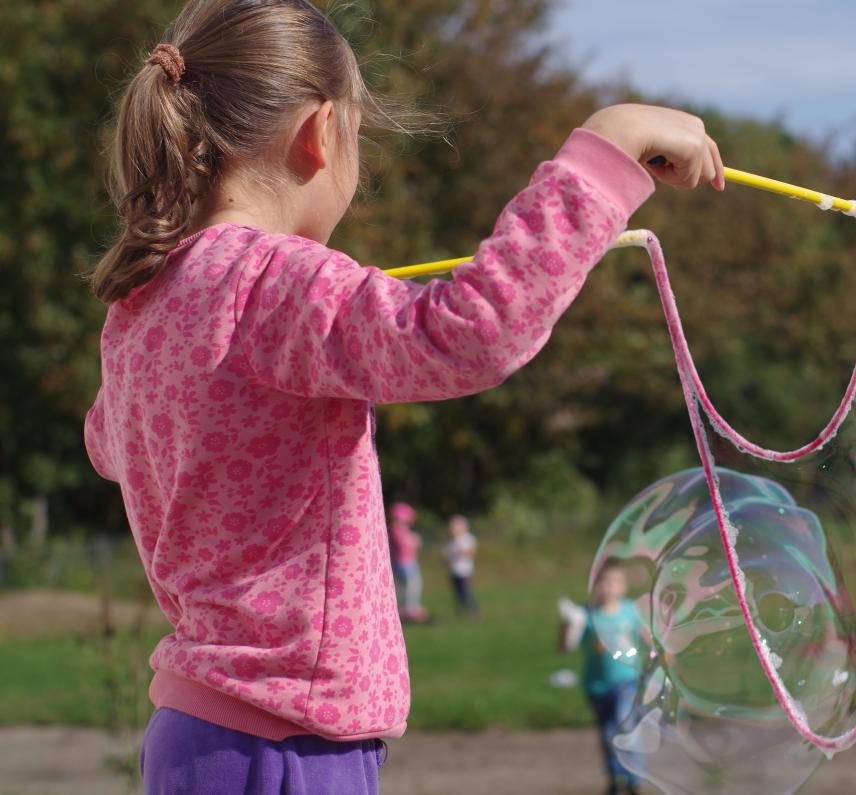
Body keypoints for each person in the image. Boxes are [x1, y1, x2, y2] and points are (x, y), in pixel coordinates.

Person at [82, 0, 724, 792]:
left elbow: (108, 442)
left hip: (202, 734)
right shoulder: (271, 282)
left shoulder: (144, 303)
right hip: (283, 745)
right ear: (319, 134)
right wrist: (605, 153)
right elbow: (472, 332)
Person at [559, 559, 645, 795]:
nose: (607, 587)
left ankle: (633, 778)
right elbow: (564, 648)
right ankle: (615, 778)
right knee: (607, 733)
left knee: (624, 725)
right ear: (593, 585)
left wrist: (663, 650)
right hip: (597, 685)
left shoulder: (629, 610)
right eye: (601, 582)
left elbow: (645, 635)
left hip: (627, 680)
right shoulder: (585, 615)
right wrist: (566, 626)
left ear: (623, 586)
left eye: (613, 582)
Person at [389, 502, 428, 623]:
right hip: (406, 563)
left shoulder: (395, 530)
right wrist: (415, 541)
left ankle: (407, 610)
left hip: (403, 563)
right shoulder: (398, 530)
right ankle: (410, 611)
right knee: (412, 587)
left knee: (405, 588)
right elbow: (405, 546)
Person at [443, 514, 479, 615]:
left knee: (465, 592)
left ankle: (473, 610)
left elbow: (471, 552)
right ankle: (461, 611)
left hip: (465, 571)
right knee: (457, 593)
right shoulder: (451, 541)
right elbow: (447, 555)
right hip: (454, 570)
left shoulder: (468, 538)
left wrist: (459, 552)